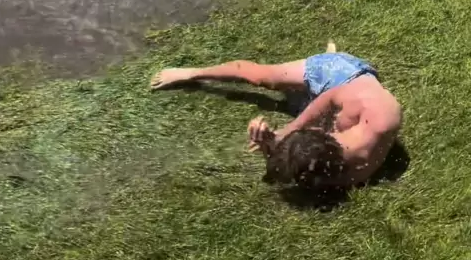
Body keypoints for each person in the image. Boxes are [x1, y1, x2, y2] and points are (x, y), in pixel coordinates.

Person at [150, 42, 402, 191]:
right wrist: (287, 131)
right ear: (319, 132)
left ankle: (301, 89)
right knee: (263, 78)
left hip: (337, 107)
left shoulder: (341, 174)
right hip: (341, 76)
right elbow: (328, 97)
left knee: (292, 97)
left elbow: (288, 169)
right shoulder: (378, 113)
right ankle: (191, 73)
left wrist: (268, 146)